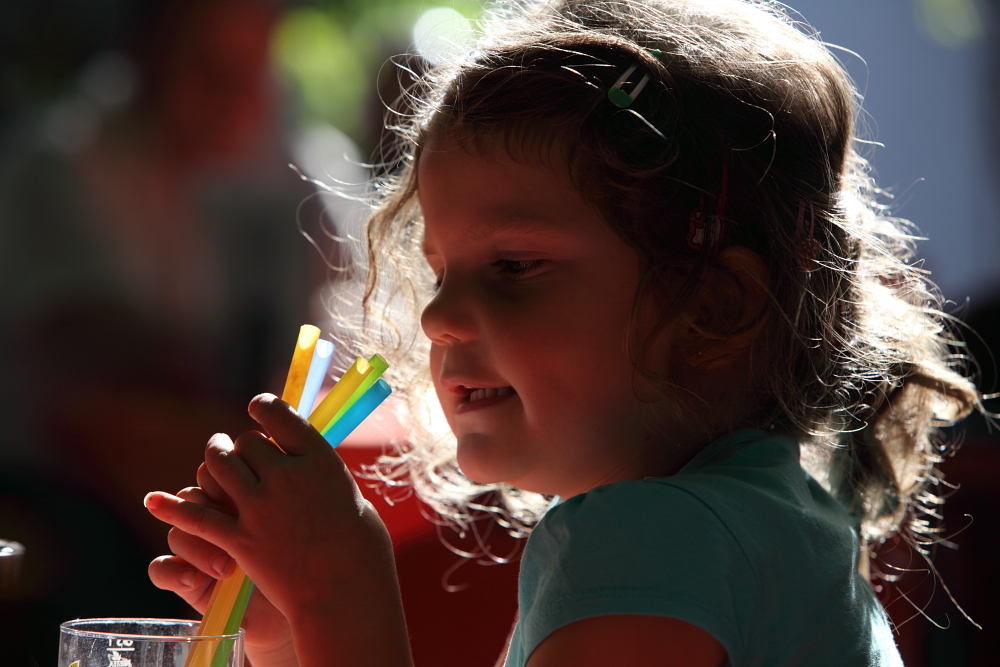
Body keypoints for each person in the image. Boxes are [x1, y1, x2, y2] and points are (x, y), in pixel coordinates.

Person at [143, 1, 981, 665]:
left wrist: (338, 588)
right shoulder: (764, 516)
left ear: (714, 306)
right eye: (440, 272)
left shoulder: (652, 539)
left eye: (514, 266)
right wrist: (294, 631)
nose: (437, 318)